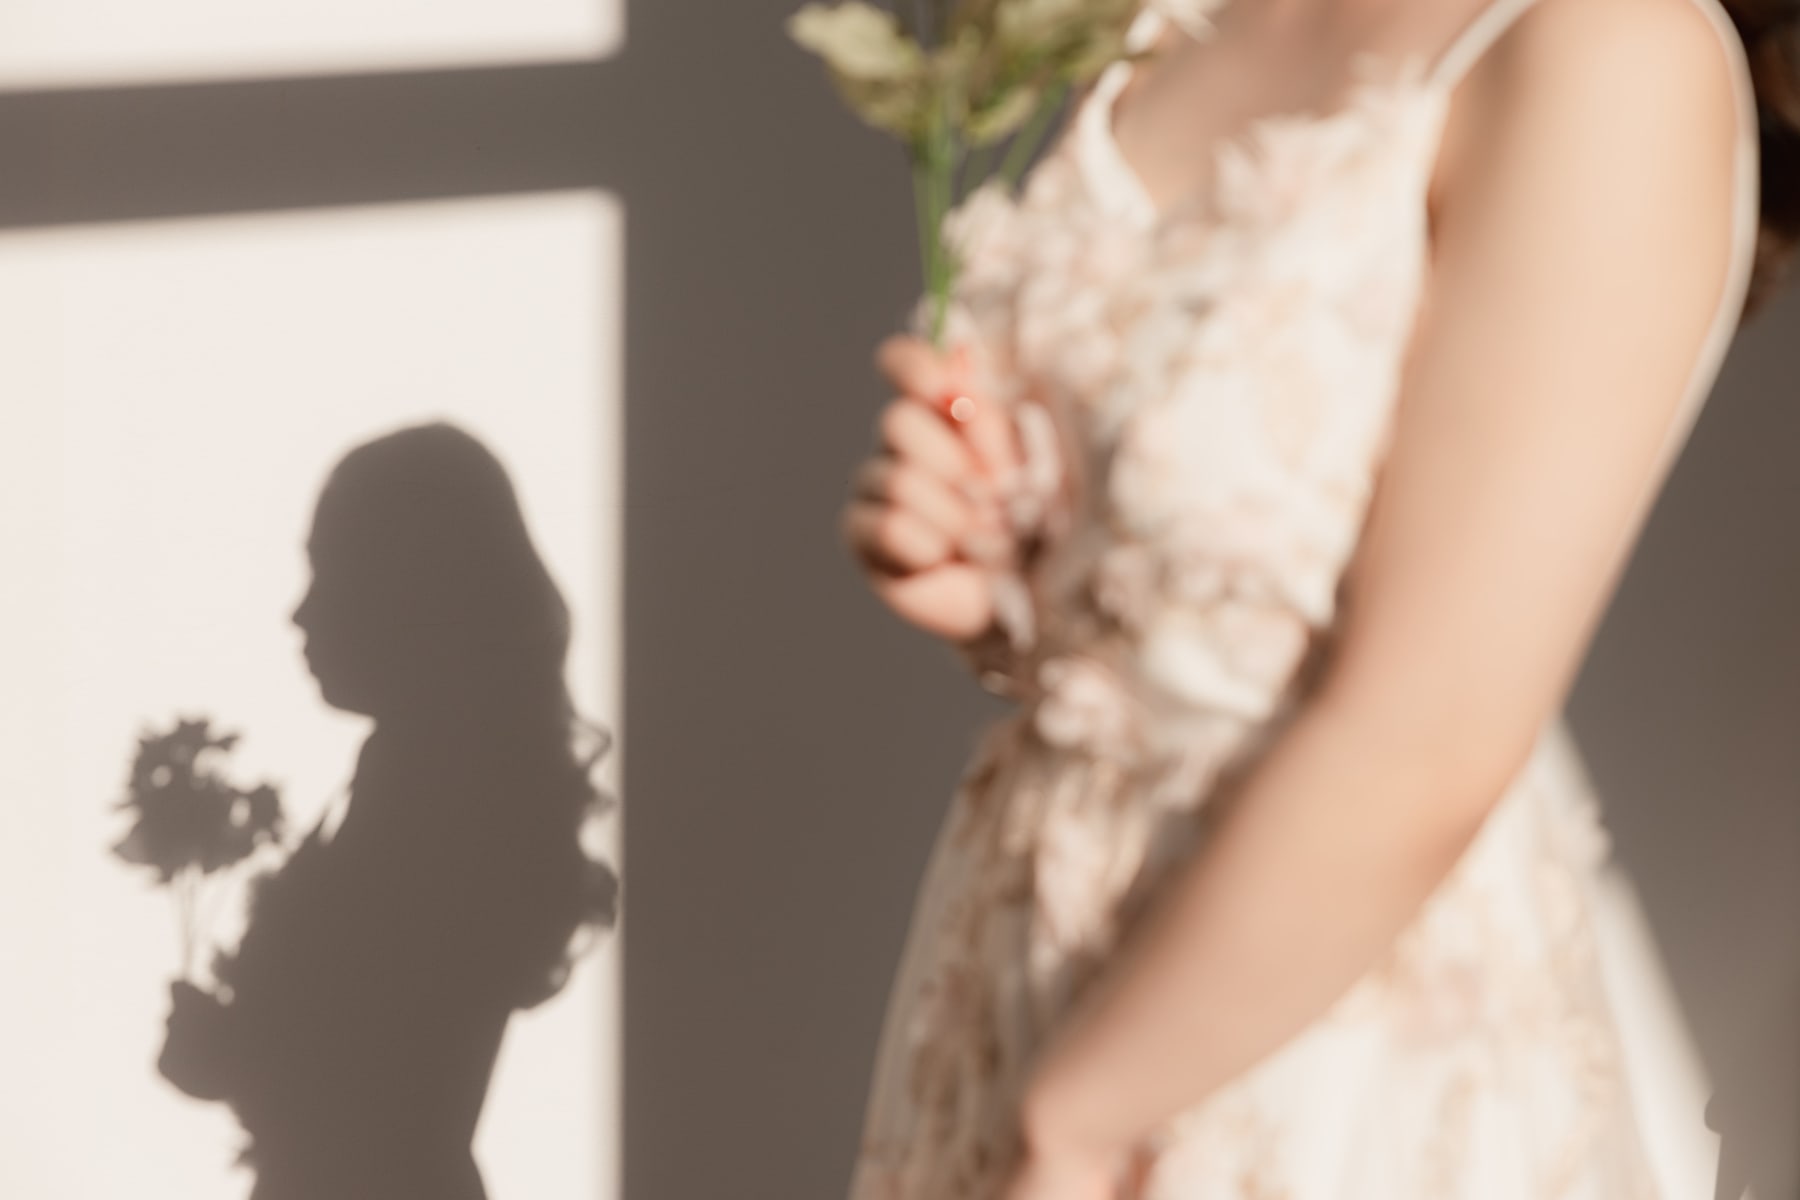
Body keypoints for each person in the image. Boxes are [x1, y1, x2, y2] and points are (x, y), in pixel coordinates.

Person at [838, 0, 1787, 1196]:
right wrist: (999, 573)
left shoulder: (1609, 51)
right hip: (1027, 959)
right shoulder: (1166, 17)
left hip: (1309, 1042)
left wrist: (1079, 1122)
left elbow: (1436, 730)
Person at [156, 422, 619, 1199]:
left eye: (328, 572)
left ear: (411, 589)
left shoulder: (438, 807)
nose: (300, 613)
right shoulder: (430, 785)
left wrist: (228, 1057)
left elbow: (380, 1091)